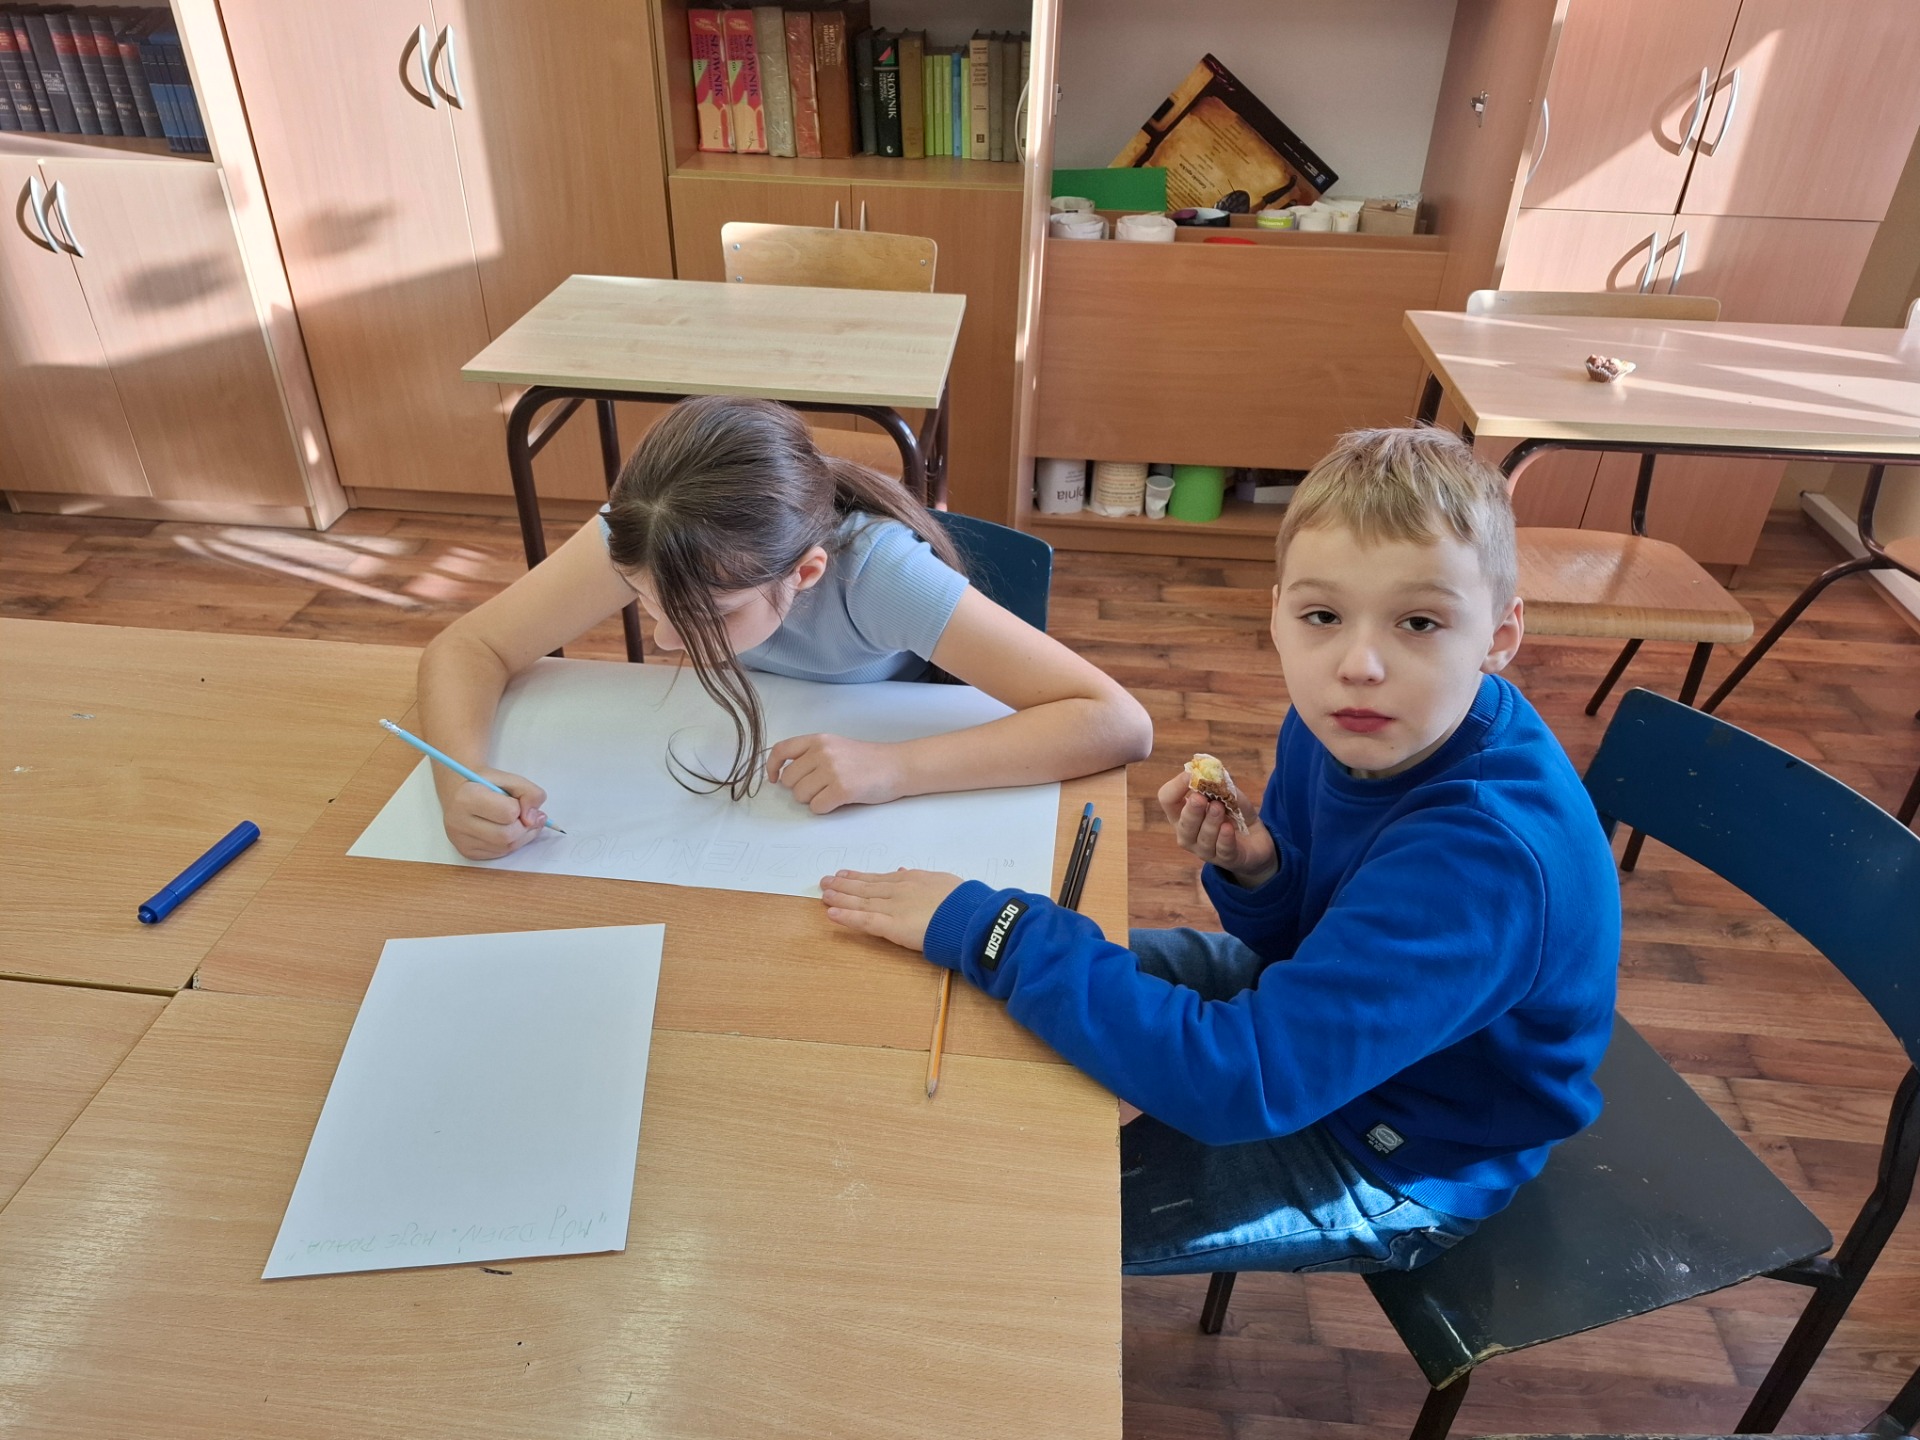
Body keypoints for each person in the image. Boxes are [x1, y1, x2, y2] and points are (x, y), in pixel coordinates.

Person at [820, 427, 1621, 1277]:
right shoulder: (1345, 723)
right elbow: (1309, 947)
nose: (1358, 664)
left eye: (1420, 622)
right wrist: (1264, 875)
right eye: (1322, 616)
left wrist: (997, 930)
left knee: (1001, 1217)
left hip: (1400, 1147)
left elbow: (1245, 1083)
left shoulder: (1482, 859)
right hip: (1312, 1029)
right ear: (1278, 612)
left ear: (1501, 634)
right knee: (977, 1018)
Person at [418, 396, 1152, 860]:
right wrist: (459, 778)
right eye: (645, 603)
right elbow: (469, 646)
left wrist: (895, 769)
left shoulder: (879, 573)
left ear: (804, 573)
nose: (667, 642)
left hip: (867, 802)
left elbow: (1116, 722)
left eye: (711, 616)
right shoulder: (644, 535)